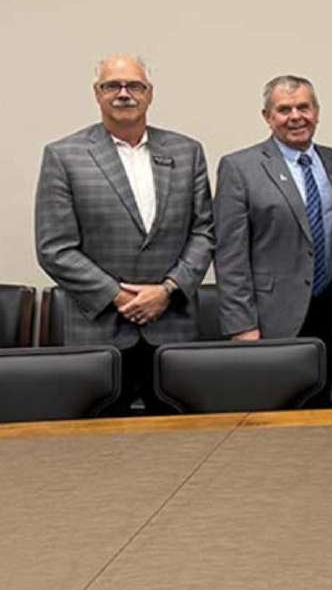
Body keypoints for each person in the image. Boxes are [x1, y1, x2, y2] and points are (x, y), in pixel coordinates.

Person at [35, 55, 214, 414]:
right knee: (100, 451)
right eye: (111, 86)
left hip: (172, 327)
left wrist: (166, 291)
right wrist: (118, 296)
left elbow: (204, 232)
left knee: (182, 445)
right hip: (98, 332)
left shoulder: (186, 151)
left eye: (134, 85)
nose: (123, 94)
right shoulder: (64, 155)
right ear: (96, 94)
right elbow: (55, 248)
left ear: (149, 94)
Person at [213, 75, 332, 403]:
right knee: (276, 414)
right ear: (267, 117)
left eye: (303, 107)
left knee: (326, 412)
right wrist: (242, 325)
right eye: (284, 109)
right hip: (272, 317)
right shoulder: (241, 168)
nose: (296, 116)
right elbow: (230, 255)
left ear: (317, 112)